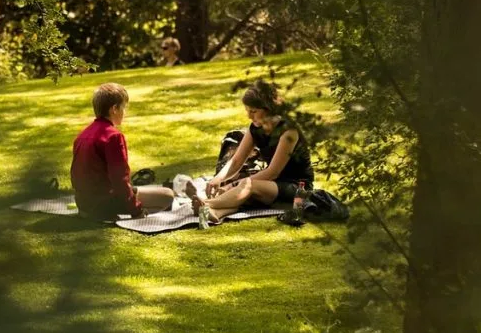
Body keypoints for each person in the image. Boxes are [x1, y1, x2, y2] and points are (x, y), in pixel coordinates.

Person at [187, 80, 315, 227]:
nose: (249, 116)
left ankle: (207, 204)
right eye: (247, 111)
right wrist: (218, 178)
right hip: (271, 184)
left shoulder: (288, 131)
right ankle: (216, 214)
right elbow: (236, 161)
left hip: (297, 187)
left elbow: (273, 172)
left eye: (253, 111)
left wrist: (234, 185)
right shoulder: (255, 128)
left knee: (248, 186)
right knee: (242, 192)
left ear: (268, 109)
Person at [71, 83, 175, 221]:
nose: (125, 112)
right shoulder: (113, 136)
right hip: (103, 204)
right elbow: (119, 180)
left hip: (84, 204)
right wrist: (136, 210)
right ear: (114, 108)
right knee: (167, 196)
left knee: (148, 193)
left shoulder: (82, 135)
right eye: (124, 107)